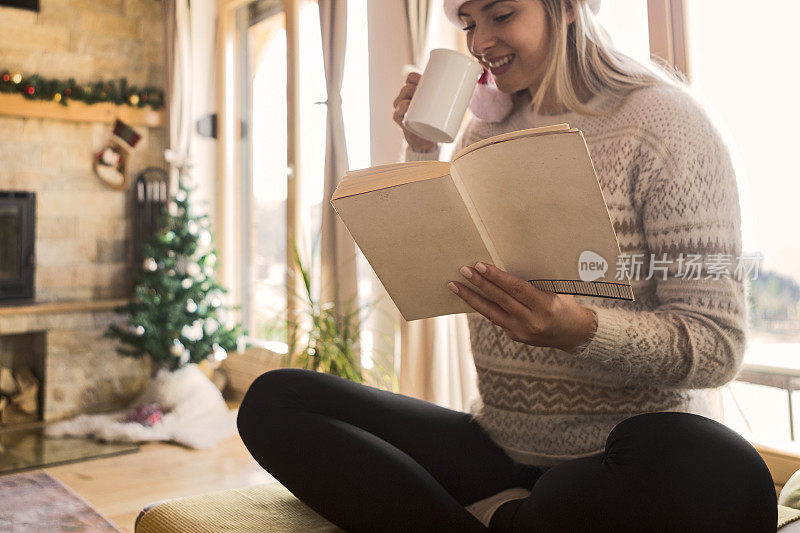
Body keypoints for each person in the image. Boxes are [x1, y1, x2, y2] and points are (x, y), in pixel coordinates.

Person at [237, 0, 777, 531]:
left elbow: (717, 346)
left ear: (565, 7)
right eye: (468, 23)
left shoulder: (665, 123)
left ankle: (508, 514)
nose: (478, 43)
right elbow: (435, 275)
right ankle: (513, 515)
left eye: (500, 15)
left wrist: (580, 330)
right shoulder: (484, 131)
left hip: (621, 459)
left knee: (720, 469)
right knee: (274, 401)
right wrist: (421, 148)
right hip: (499, 445)